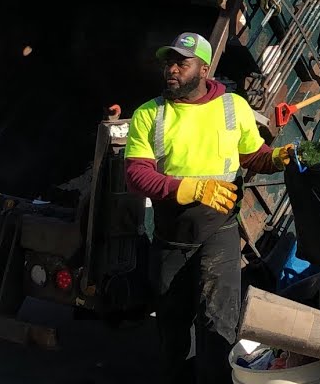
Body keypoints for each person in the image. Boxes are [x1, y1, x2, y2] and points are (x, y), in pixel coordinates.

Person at [123, 33, 294, 384]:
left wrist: (276, 158)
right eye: (168, 63)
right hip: (171, 236)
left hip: (219, 231)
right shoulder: (149, 114)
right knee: (173, 324)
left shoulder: (233, 107)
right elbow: (136, 175)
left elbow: (252, 156)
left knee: (218, 321)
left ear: (203, 69)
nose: (171, 70)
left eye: (181, 64)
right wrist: (186, 187)